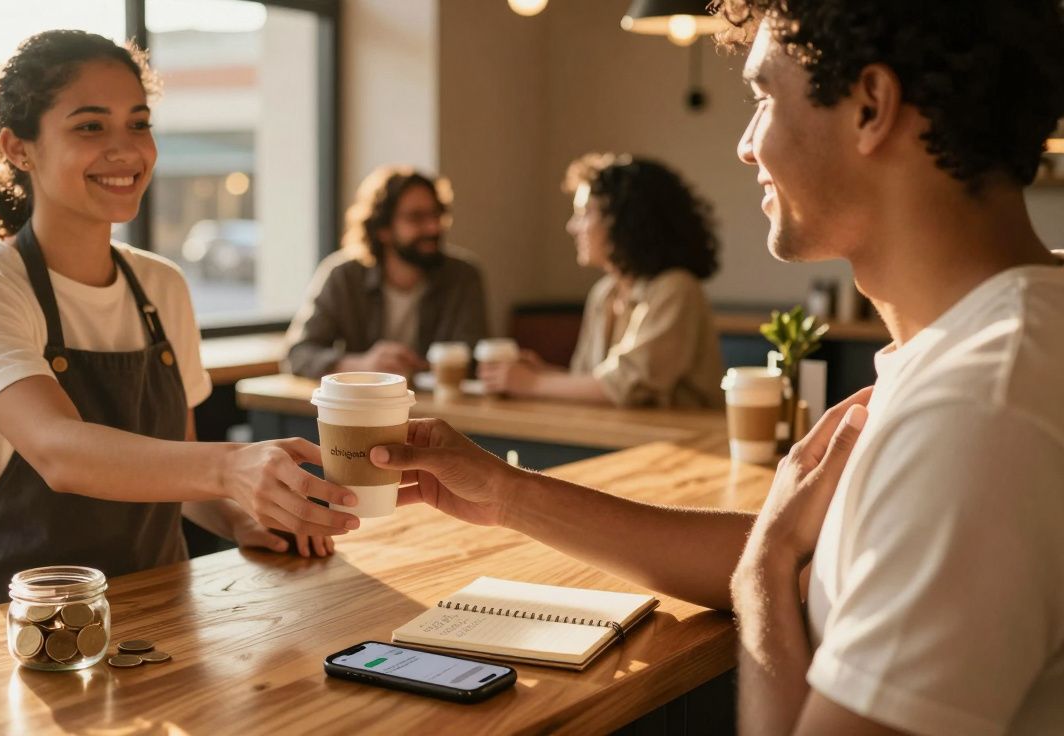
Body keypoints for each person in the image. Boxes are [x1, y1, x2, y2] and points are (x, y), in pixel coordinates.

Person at [371, 1, 1064, 733]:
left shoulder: (979, 411)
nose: (745, 145)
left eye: (763, 97)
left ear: (870, 106)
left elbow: (784, 564)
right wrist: (506, 495)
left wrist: (763, 570)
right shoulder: (994, 345)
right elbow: (824, 561)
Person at [0, 31, 359, 617]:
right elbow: (60, 451)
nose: (126, 150)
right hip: (14, 627)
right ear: (18, 147)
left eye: (138, 123)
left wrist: (245, 517)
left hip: (154, 611)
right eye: (89, 126)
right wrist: (233, 468)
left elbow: (175, 462)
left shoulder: (162, 287)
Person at [482, 155, 724, 408]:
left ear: (625, 221)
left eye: (584, 213)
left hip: (687, 442)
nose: (572, 227)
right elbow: (594, 381)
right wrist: (545, 374)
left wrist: (531, 384)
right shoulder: (605, 293)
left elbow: (627, 386)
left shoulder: (677, 289)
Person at [284, 166, 489, 379]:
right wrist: (362, 364)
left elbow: (475, 357)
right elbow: (298, 355)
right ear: (382, 229)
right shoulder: (343, 277)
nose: (432, 228)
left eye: (436, 215)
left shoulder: (462, 276)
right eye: (416, 218)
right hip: (365, 405)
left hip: (438, 407)